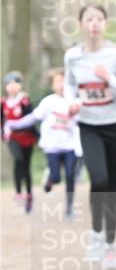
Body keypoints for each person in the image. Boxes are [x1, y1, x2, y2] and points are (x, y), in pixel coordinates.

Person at [64, 4, 116, 270]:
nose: (94, 24)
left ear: (106, 24)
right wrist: (70, 103)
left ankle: (110, 245)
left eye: (99, 19)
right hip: (89, 126)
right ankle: (96, 233)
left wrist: (110, 80)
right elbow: (69, 85)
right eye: (89, 19)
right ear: (81, 24)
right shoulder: (72, 56)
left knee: (113, 187)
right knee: (99, 179)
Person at [4, 68, 79, 218]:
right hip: (52, 146)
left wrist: (75, 114)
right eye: (58, 82)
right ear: (53, 85)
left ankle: (69, 209)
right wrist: (12, 124)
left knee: (71, 175)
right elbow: (32, 118)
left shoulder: (76, 102)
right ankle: (51, 177)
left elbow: (84, 122)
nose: (61, 85)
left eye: (64, 82)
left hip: (70, 145)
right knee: (57, 177)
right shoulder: (48, 102)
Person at [1, 71, 37, 212]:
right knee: (18, 160)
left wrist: (37, 135)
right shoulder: (3, 103)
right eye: (9, 84)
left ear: (20, 85)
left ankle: (29, 194)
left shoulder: (24, 101)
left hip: (27, 138)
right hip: (12, 137)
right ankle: (18, 192)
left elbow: (31, 119)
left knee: (26, 166)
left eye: (15, 83)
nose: (12, 86)